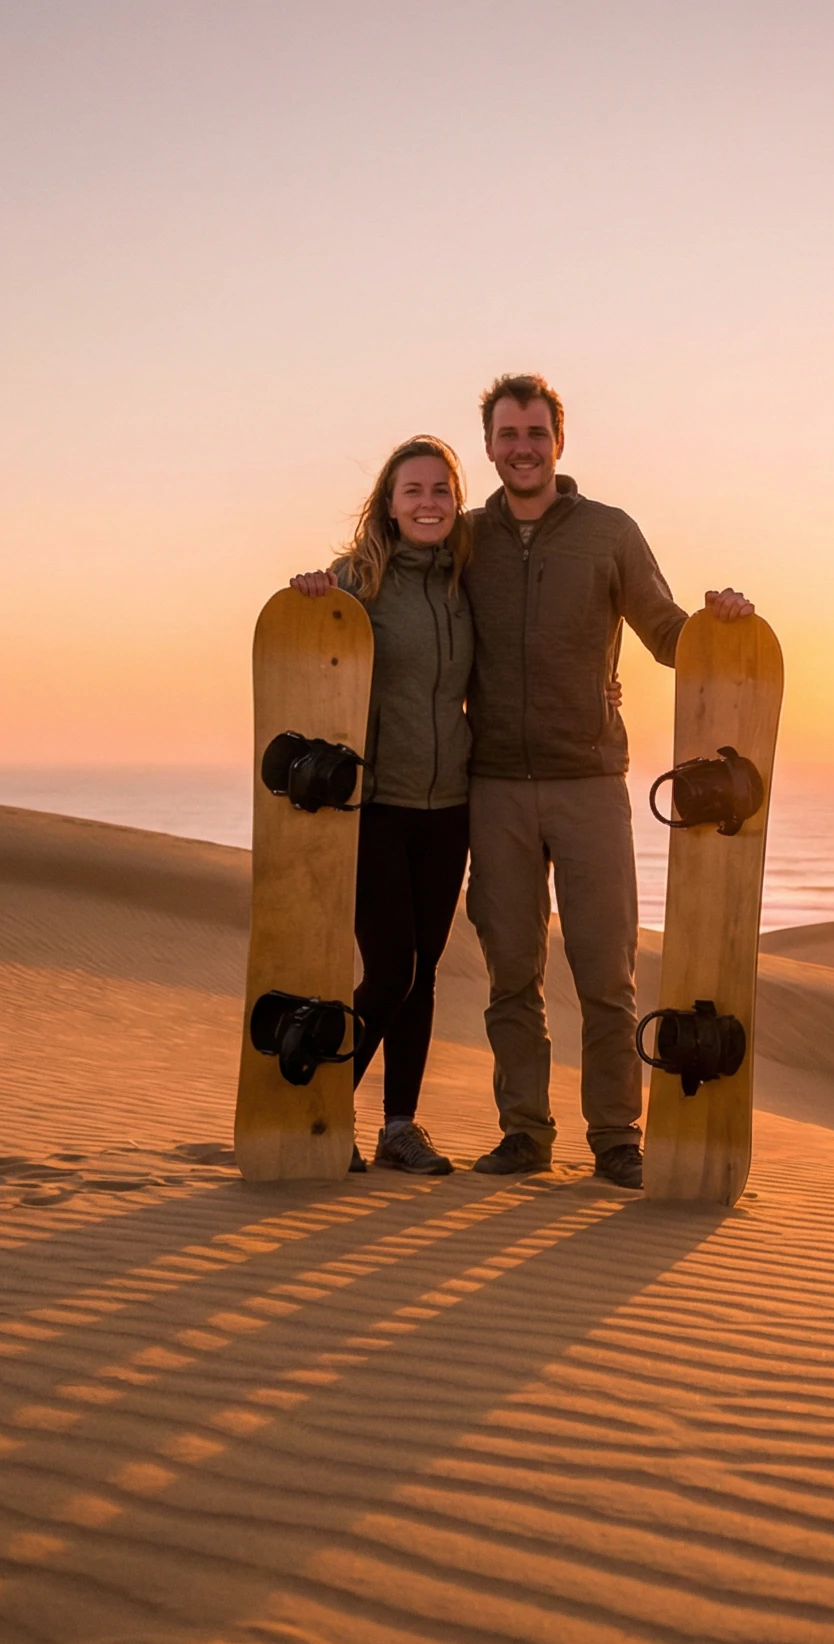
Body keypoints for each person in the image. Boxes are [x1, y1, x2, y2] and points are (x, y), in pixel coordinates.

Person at [462, 372, 755, 1189]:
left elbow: (666, 632)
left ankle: (616, 1138)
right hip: (493, 786)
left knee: (606, 972)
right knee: (511, 972)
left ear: (559, 441)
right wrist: (329, 590)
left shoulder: (608, 532)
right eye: (507, 435)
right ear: (489, 446)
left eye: (535, 434)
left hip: (589, 779)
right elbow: (401, 588)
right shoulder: (465, 537)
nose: (521, 448)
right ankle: (524, 1132)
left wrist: (717, 620)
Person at [289, 436, 475, 1175]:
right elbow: (307, 656)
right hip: (375, 804)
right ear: (389, 504)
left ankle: (400, 1126)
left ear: (456, 504)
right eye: (413, 491)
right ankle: (323, 1106)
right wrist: (310, 598)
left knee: (424, 968)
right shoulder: (356, 579)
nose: (428, 503)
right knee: (391, 968)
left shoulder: (468, 585)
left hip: (449, 803)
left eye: (440, 491)